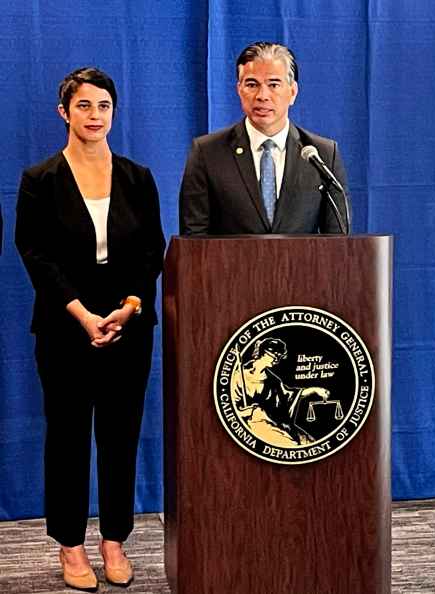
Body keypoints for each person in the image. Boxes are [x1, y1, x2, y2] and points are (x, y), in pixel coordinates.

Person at [15, 67, 165, 591]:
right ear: (65, 112)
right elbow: (35, 253)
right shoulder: (40, 180)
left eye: (103, 105)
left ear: (113, 113)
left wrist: (129, 306)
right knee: (70, 438)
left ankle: (114, 540)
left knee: (121, 437)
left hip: (128, 329)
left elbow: (152, 251)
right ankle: (72, 546)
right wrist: (80, 313)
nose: (95, 115)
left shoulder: (137, 177)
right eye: (84, 106)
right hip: (64, 329)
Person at [179, 41, 350, 235]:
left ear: (292, 92)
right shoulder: (207, 153)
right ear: (239, 89)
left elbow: (338, 244)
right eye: (252, 84)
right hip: (229, 266)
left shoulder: (323, 155)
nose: (262, 95)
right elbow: (194, 240)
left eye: (274, 84)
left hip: (302, 266)